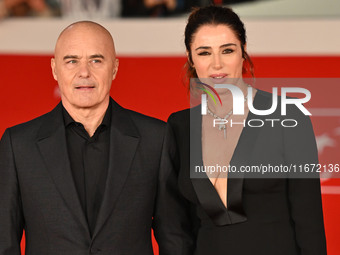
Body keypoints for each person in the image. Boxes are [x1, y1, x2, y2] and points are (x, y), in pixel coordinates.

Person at [0, 21, 194, 254]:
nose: (84, 72)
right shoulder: (18, 145)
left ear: (114, 67)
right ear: (54, 68)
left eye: (96, 60)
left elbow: (174, 238)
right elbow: (4, 242)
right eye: (72, 61)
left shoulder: (156, 138)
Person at [167, 6, 327, 255]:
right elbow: (178, 226)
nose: (216, 64)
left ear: (243, 52)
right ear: (191, 58)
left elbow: (310, 223)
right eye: (204, 52)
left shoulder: (288, 117)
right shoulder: (179, 126)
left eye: (227, 50)